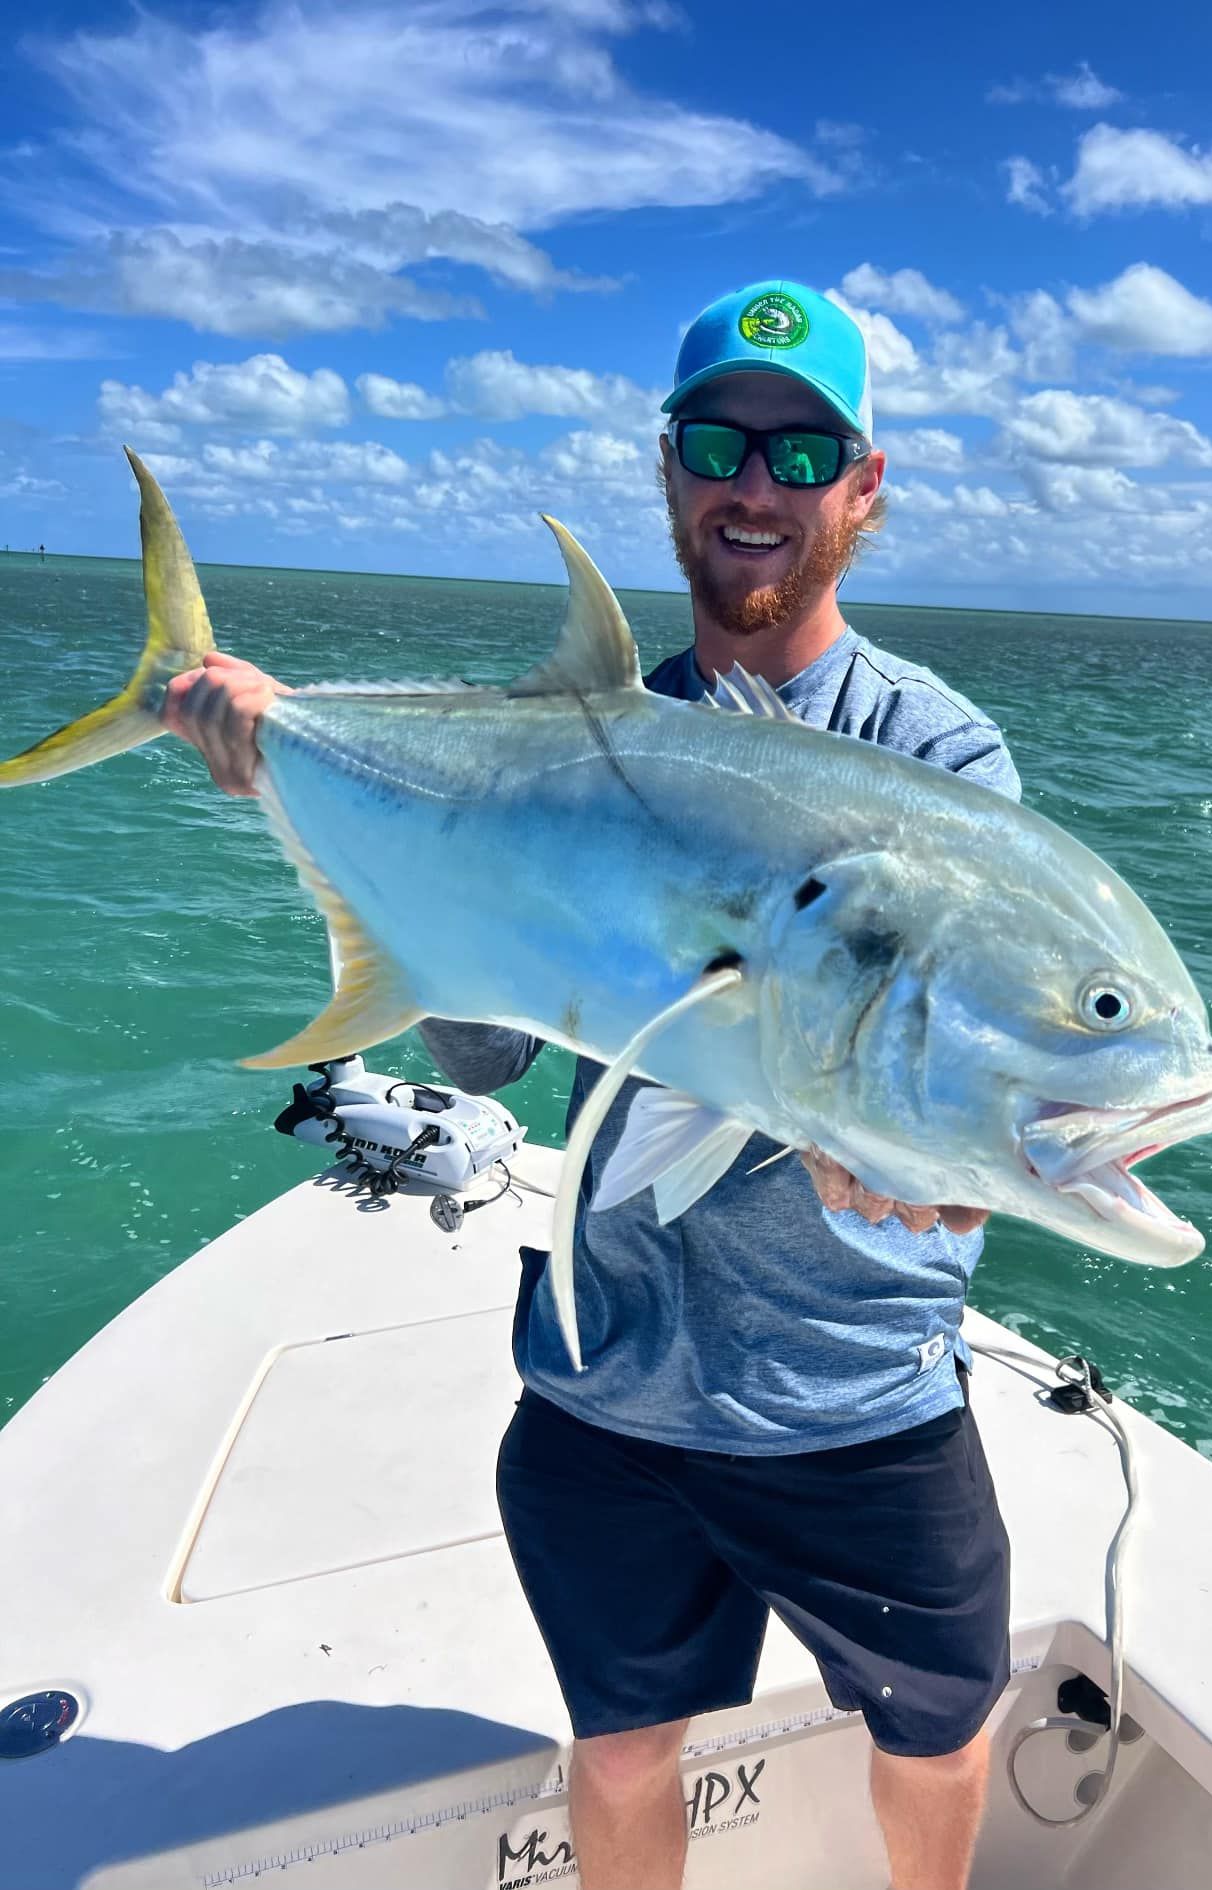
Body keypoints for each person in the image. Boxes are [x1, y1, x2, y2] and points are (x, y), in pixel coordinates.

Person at [162, 279, 1022, 1890]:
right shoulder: (558, 740)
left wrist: (932, 1153)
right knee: (621, 1746)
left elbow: (968, 1061)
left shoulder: (941, 768)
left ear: (864, 486)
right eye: (720, 441)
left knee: (939, 1731)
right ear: (671, 472)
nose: (755, 484)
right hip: (612, 1364)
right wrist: (352, 836)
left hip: (855, 1391)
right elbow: (487, 1053)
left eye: (801, 447)